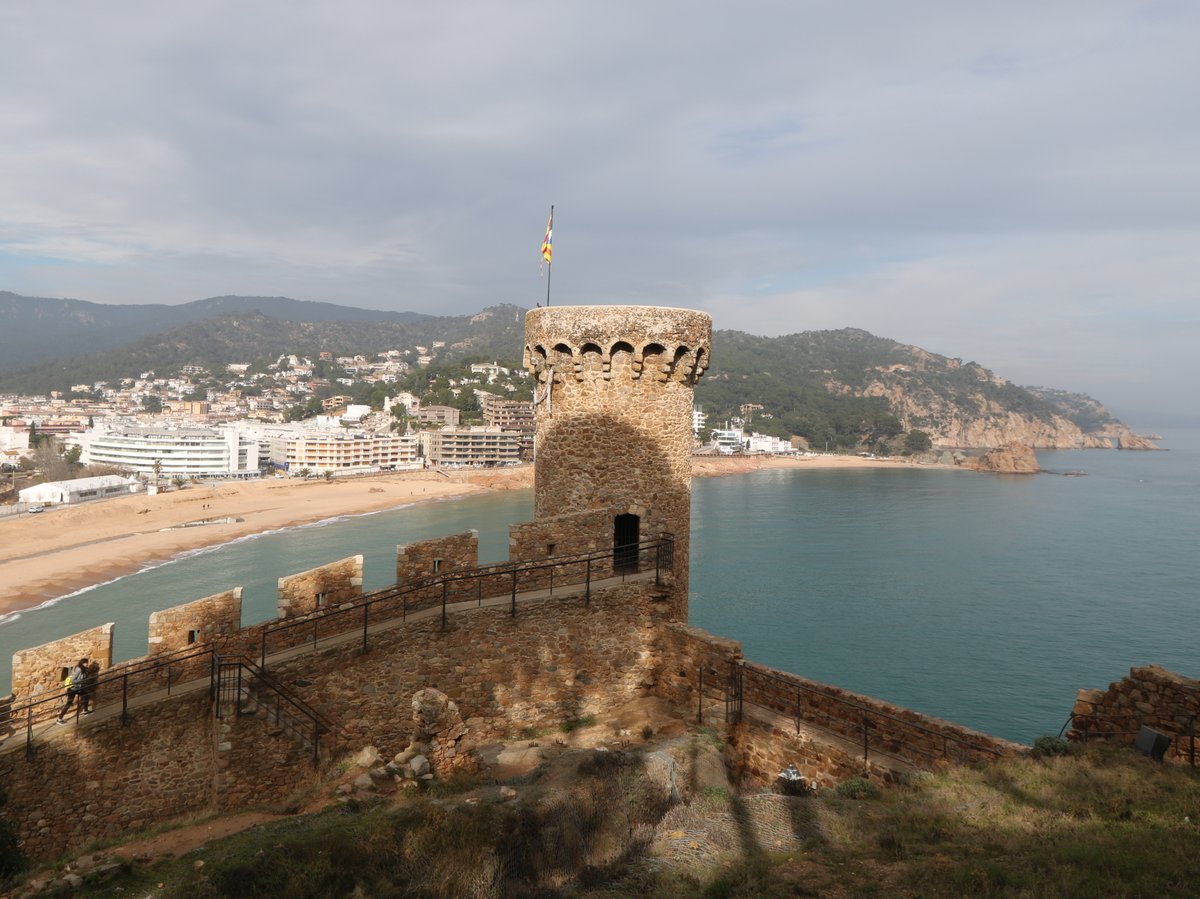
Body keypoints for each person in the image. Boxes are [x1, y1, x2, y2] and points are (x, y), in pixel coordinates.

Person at [56, 657, 88, 724]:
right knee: (69, 703)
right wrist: (81, 681)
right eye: (85, 663)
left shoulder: (83, 669)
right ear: (82, 663)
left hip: (77, 688)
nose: (87, 664)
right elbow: (72, 680)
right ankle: (59, 719)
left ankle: (85, 711)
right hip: (72, 689)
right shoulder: (79, 669)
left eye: (87, 662)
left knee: (85, 696)